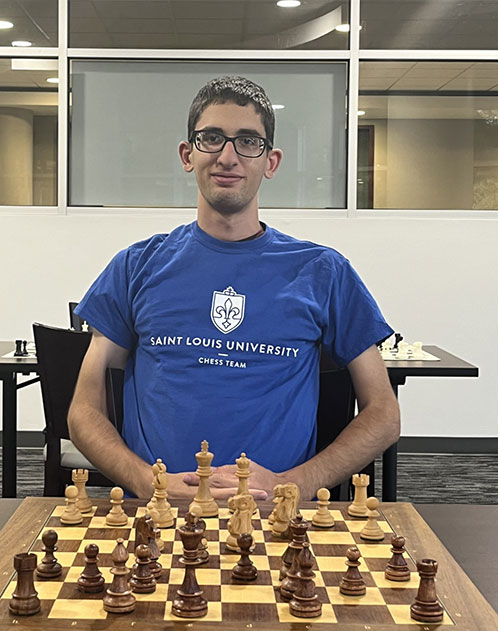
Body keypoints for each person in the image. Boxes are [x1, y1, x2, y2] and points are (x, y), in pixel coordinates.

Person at [68, 76, 400, 501]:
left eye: (248, 141)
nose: (228, 157)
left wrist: (292, 485)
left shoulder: (323, 271)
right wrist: (148, 484)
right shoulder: (137, 266)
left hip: (274, 521)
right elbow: (83, 410)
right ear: (188, 154)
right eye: (211, 138)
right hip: (161, 517)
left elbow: (384, 414)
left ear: (271, 161)